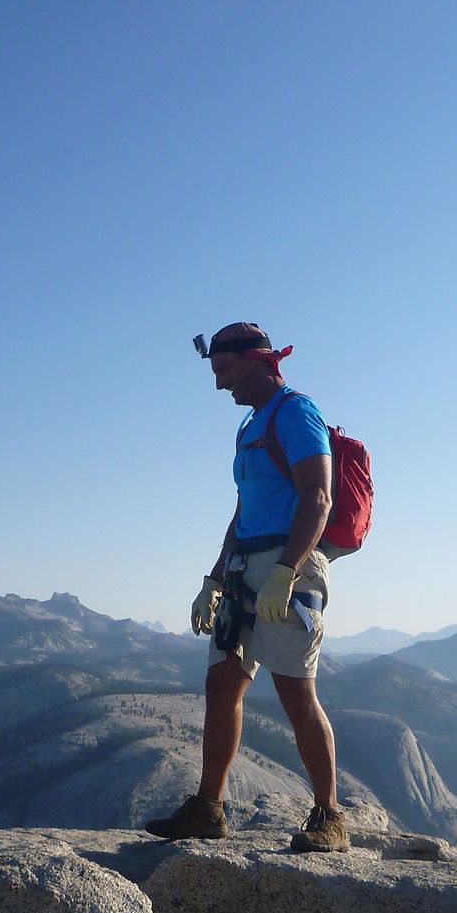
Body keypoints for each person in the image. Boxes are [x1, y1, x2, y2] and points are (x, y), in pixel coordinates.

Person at [145, 321, 349, 852]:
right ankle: (208, 811)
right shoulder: (252, 425)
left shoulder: (297, 412)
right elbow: (244, 512)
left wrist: (287, 569)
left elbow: (318, 498)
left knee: (295, 691)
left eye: (224, 371)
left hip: (289, 568)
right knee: (222, 686)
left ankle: (330, 817)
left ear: (257, 361)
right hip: (244, 570)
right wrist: (215, 576)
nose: (219, 385)